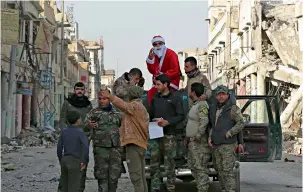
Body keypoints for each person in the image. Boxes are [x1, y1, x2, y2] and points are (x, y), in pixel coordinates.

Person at [100, 86, 149, 192]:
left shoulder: (134, 106)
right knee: (141, 177)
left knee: (136, 178)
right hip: (141, 144)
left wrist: (110, 96)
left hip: (134, 145)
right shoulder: (141, 107)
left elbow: (123, 105)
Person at [148, 74, 185, 192]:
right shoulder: (155, 98)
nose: (156, 87)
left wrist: (168, 122)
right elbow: (151, 115)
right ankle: (155, 187)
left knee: (169, 163)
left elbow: (181, 116)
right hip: (155, 135)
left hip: (169, 135)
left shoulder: (175, 98)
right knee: (154, 163)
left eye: (158, 84)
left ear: (166, 84)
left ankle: (170, 187)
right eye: (155, 84)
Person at [208, 85, 245, 192]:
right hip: (216, 145)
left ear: (227, 95)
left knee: (227, 171)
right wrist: (210, 137)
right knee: (219, 171)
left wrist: (230, 133)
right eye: (219, 94)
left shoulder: (233, 108)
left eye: (223, 94)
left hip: (228, 145)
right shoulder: (214, 109)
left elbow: (241, 123)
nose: (221, 97)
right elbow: (212, 126)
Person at [84, 90, 122, 192]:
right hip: (100, 149)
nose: (101, 101)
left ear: (109, 99)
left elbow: (125, 126)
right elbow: (84, 125)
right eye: (100, 99)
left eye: (104, 99)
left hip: (115, 149)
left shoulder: (117, 113)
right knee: (102, 176)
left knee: (114, 176)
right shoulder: (94, 113)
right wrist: (89, 125)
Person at [58, 82, 92, 192]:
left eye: (82, 89)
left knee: (82, 166)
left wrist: (90, 133)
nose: (79, 91)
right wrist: (65, 132)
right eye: (77, 89)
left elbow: (91, 120)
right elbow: (62, 119)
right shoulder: (68, 103)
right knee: (69, 167)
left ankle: (79, 189)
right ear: (74, 90)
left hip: (84, 137)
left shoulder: (88, 104)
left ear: (85, 90)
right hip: (71, 137)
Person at [184, 83, 211, 192]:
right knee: (193, 166)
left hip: (199, 143)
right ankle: (201, 187)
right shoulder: (195, 104)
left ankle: (203, 189)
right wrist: (187, 137)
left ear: (194, 92)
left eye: (190, 90)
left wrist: (198, 136)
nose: (189, 92)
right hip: (192, 142)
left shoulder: (202, 105)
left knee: (200, 168)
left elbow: (204, 121)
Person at [57, 110, 89, 192]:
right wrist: (84, 161)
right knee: (74, 186)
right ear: (78, 120)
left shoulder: (64, 132)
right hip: (75, 161)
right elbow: (86, 147)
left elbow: (59, 147)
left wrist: (61, 159)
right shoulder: (80, 132)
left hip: (65, 159)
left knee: (63, 185)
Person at [146, 35, 181, 105]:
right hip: (158, 83)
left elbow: (176, 70)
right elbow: (152, 70)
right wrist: (150, 58)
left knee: (152, 93)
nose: (158, 46)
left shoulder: (172, 54)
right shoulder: (154, 55)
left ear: (164, 44)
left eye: (160, 43)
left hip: (171, 82)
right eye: (155, 44)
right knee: (151, 94)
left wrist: (161, 77)